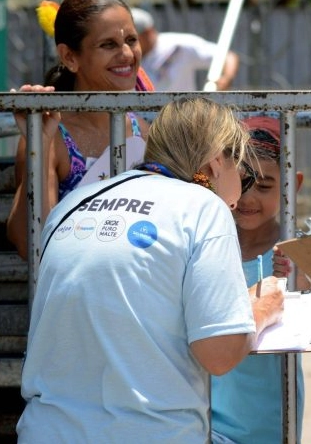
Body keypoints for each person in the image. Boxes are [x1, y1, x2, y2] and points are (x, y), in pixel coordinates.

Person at [16, 97, 285, 443]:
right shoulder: (203, 206)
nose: (237, 200)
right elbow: (218, 353)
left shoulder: (72, 204)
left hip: (45, 431)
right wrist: (260, 312)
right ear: (217, 162)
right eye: (244, 178)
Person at [7, 0, 153, 260]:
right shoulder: (50, 133)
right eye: (108, 44)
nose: (126, 53)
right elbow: (31, 244)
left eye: (131, 40)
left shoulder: (141, 131)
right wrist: (39, 141)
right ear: (70, 57)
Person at [211, 116, 305, 444]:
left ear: (294, 184)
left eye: (264, 186)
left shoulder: (302, 247)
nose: (248, 199)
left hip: (268, 421)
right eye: (240, 183)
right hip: (202, 417)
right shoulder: (205, 242)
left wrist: (302, 273)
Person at [131, 7, 239, 91]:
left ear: (148, 32)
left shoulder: (178, 45)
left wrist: (227, 78)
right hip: (144, 117)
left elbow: (227, 56)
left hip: (182, 115)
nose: (129, 44)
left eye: (133, 38)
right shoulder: (126, 56)